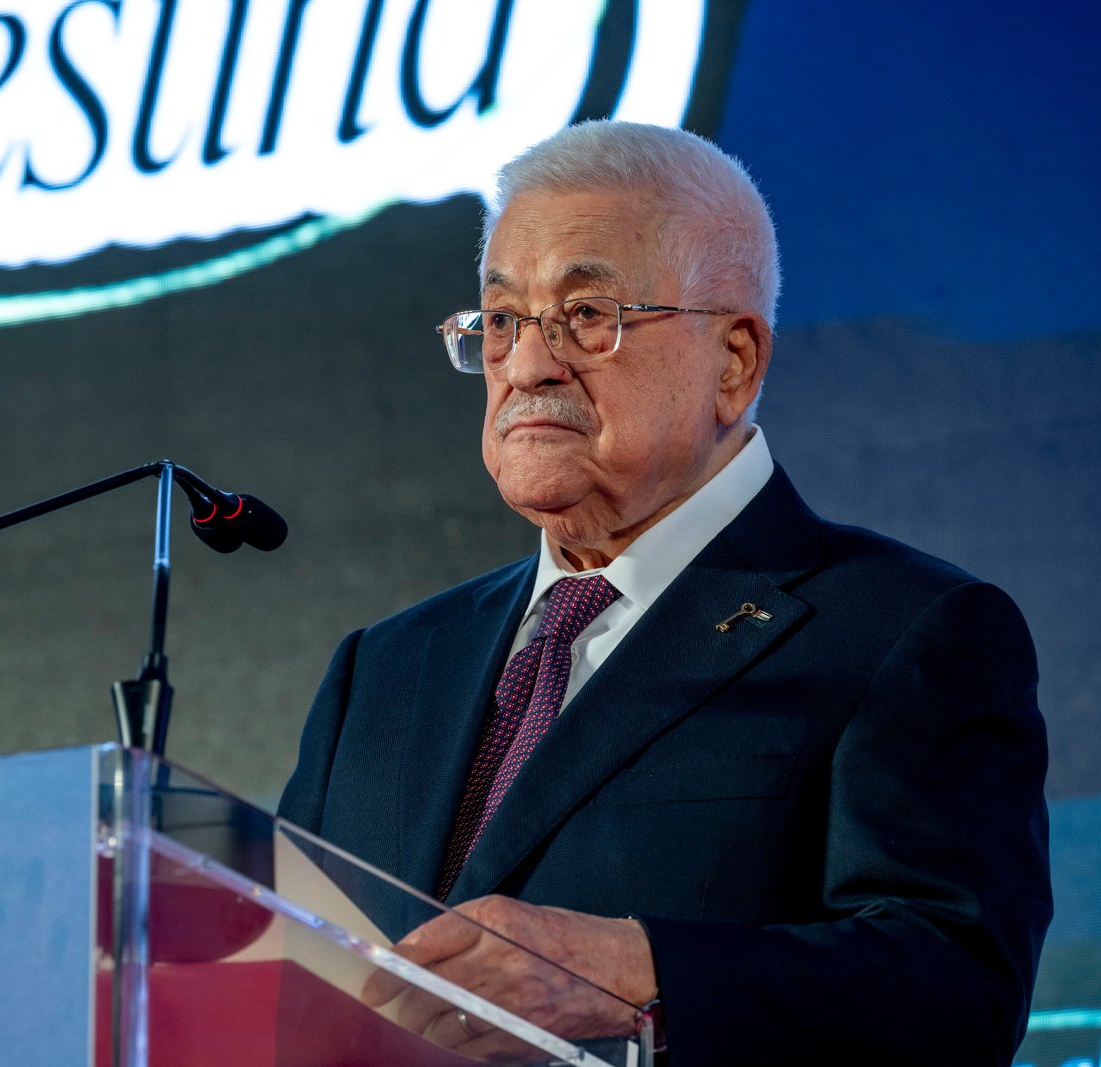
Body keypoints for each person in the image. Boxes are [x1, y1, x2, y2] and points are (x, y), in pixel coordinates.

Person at [277, 120, 1051, 1065]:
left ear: (734, 361)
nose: (527, 365)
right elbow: (276, 978)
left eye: (586, 314)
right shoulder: (388, 667)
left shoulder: (904, 633)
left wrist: (642, 973)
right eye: (502, 320)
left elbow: (956, 991)